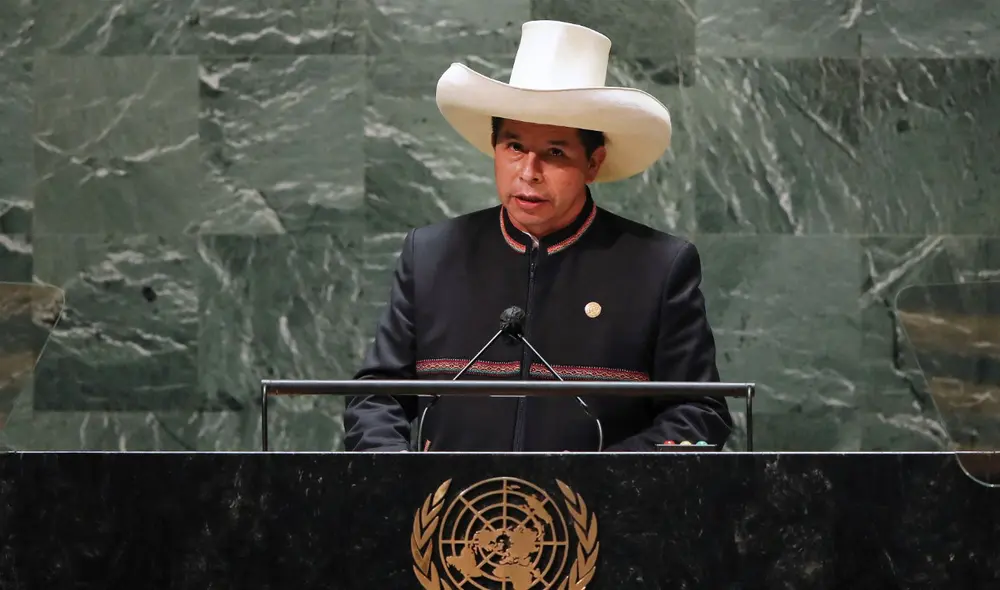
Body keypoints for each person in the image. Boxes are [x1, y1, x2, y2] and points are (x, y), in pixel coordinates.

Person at [344, 20, 733, 452]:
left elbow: (699, 413)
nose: (528, 172)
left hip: (599, 513)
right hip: (449, 514)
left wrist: (597, 481)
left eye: (554, 152)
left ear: (594, 162)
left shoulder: (658, 267)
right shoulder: (431, 255)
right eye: (514, 147)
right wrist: (398, 479)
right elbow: (376, 399)